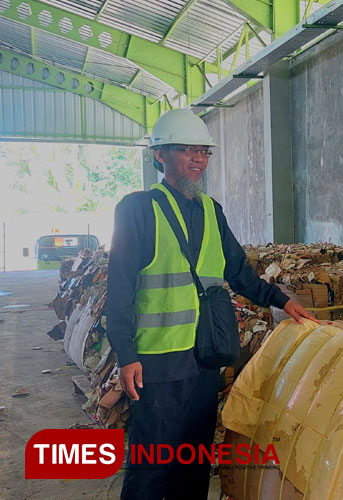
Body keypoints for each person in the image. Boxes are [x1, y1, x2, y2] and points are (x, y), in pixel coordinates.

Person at [107, 108, 317, 500]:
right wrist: (126, 355)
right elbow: (119, 290)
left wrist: (281, 302)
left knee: (193, 463)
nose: (199, 159)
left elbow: (239, 272)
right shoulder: (137, 210)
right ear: (160, 156)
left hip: (204, 360)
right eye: (187, 150)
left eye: (204, 151)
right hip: (156, 365)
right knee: (151, 468)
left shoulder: (210, 210)